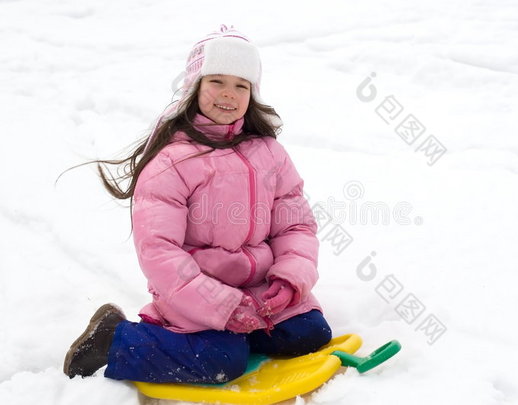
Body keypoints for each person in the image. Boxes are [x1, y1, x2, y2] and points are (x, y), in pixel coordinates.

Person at [63, 24, 332, 384]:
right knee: (221, 361)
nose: (229, 94)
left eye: (241, 85)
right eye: (216, 81)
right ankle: (117, 339)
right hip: (194, 293)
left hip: (257, 290)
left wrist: (288, 280)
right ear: (195, 87)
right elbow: (159, 251)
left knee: (309, 333)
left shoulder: (269, 153)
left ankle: (239, 332)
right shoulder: (172, 162)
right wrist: (221, 305)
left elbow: (296, 225)